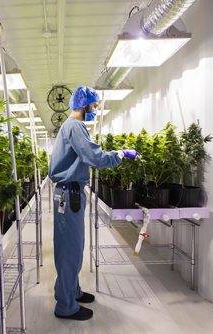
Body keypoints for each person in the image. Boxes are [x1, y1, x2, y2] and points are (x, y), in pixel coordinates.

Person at [48, 86, 139, 321]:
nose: (95, 109)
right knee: (70, 250)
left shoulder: (71, 126)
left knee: (73, 247)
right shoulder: (75, 126)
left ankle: (71, 291)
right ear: (84, 104)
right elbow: (94, 157)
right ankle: (65, 306)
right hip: (69, 195)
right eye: (94, 105)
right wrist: (119, 154)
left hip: (70, 194)